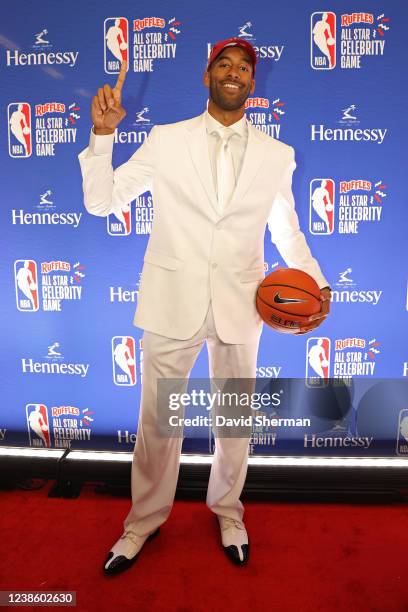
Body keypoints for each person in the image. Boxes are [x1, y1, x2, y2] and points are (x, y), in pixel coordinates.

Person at [78, 37, 331, 574]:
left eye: (244, 66)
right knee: (157, 424)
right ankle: (142, 522)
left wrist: (316, 283)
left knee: (234, 421)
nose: (234, 72)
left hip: (242, 303)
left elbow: (285, 226)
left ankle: (228, 511)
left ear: (253, 84)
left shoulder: (276, 154)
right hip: (172, 300)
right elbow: (103, 202)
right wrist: (104, 135)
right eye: (224, 63)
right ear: (207, 75)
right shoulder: (165, 141)